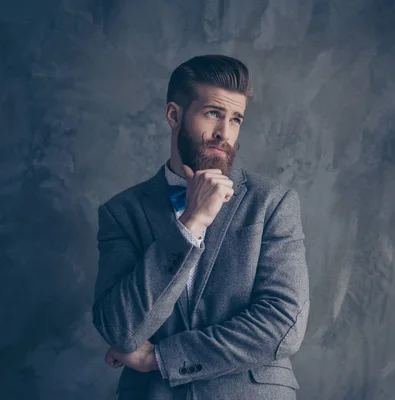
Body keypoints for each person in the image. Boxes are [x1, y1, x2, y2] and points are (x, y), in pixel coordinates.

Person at [91, 54, 310, 400]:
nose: (225, 133)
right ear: (174, 115)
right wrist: (191, 224)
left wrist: (160, 358)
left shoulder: (272, 203)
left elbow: (282, 325)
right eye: (213, 114)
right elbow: (120, 328)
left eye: (236, 119)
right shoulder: (122, 213)